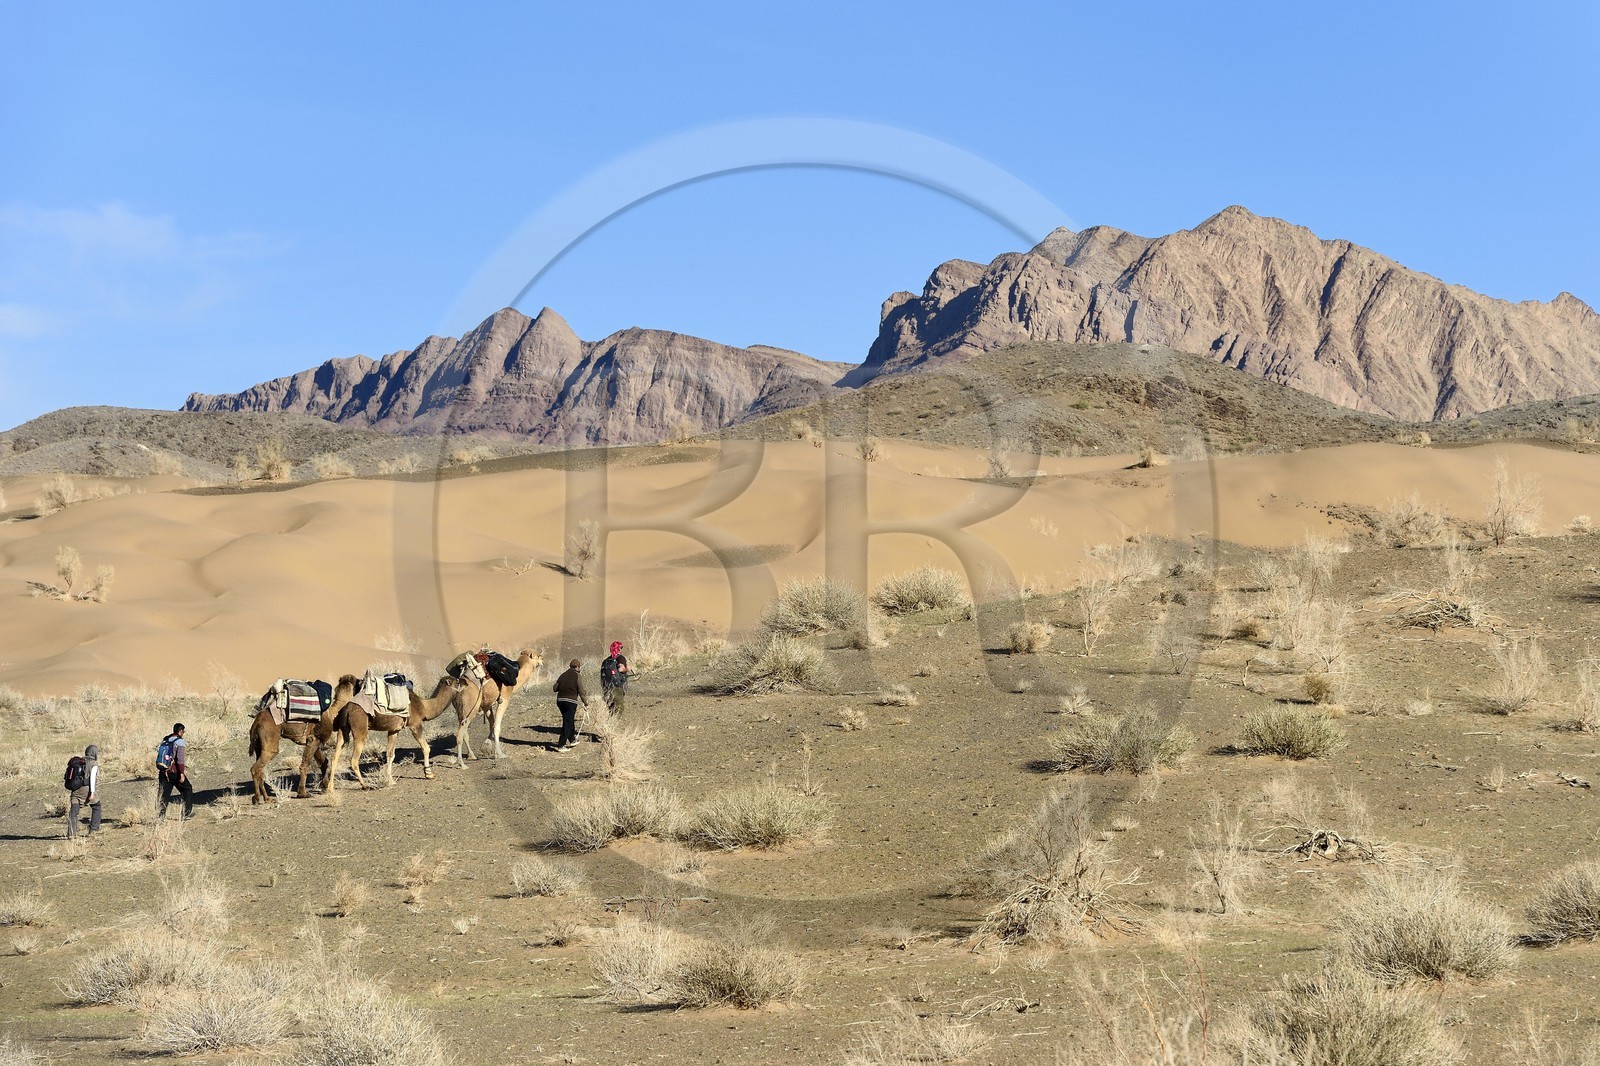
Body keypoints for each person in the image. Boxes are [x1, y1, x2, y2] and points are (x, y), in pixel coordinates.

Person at [550, 658, 590, 752]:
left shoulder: (563, 675)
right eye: (579, 667)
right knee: (567, 722)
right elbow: (581, 690)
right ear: (577, 667)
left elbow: (555, 688)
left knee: (568, 720)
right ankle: (561, 745)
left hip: (560, 701)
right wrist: (586, 702)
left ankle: (572, 739)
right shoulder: (577, 675)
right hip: (570, 701)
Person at [156, 723, 194, 818]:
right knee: (187, 789)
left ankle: (160, 817)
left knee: (163, 795)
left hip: (163, 771)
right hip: (175, 772)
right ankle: (186, 813)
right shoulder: (179, 742)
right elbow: (180, 759)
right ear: (180, 731)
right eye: (183, 731)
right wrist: (181, 773)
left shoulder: (165, 740)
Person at [65, 744, 101, 839]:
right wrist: (92, 793)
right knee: (96, 806)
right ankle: (94, 829)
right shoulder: (94, 763)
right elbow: (92, 778)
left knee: (74, 812)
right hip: (86, 789)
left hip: (75, 789)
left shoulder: (80, 761)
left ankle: (71, 834)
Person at [600, 641, 630, 718]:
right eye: (620, 648)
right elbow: (621, 669)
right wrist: (627, 669)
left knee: (611, 708)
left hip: (607, 688)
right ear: (618, 649)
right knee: (619, 707)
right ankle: (614, 724)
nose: (621, 650)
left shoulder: (606, 660)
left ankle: (610, 724)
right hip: (617, 687)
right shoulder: (620, 658)